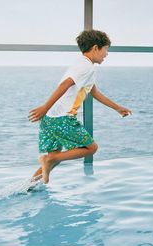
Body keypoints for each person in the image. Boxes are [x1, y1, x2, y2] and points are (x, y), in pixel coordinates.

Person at [27, 29, 131, 184]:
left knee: (53, 159)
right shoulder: (86, 68)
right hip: (62, 118)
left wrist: (117, 107)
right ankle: (47, 160)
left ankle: (30, 185)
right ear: (95, 48)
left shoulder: (83, 64)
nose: (106, 54)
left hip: (51, 118)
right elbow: (65, 84)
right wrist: (44, 107)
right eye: (106, 49)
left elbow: (94, 92)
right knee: (91, 148)